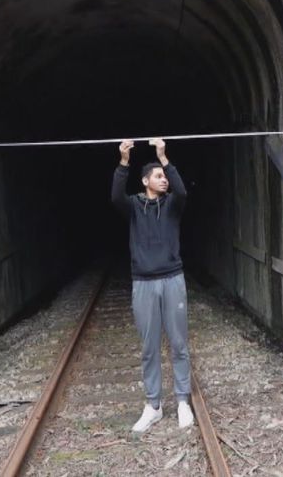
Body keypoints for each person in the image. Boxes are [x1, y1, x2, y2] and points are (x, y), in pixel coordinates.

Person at [111, 138, 194, 432]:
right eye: (158, 176)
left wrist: (164, 158)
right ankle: (153, 405)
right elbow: (115, 197)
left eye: (164, 176)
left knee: (179, 343)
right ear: (145, 181)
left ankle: (183, 401)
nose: (163, 180)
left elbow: (182, 190)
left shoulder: (172, 204)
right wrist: (123, 163)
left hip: (173, 278)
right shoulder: (134, 206)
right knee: (149, 347)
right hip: (143, 283)